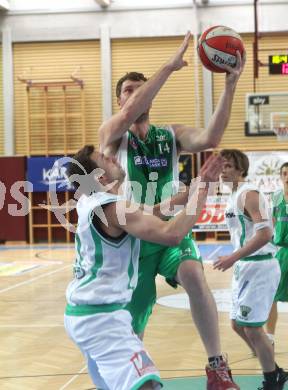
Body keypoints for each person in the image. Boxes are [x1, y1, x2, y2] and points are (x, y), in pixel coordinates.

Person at [99, 31, 245, 388]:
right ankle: (128, 376)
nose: (134, 95)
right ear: (119, 100)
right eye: (127, 91)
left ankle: (216, 366)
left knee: (194, 274)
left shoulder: (169, 134)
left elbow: (210, 139)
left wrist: (229, 85)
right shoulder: (112, 136)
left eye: (139, 88)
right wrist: (168, 66)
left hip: (169, 232)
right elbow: (133, 110)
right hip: (132, 238)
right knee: (135, 321)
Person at [64, 144, 223, 390]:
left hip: (88, 315)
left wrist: (194, 188)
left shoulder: (94, 200)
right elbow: (172, 234)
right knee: (146, 385)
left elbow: (155, 212)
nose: (112, 158)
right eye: (104, 158)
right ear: (100, 177)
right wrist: (202, 191)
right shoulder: (113, 207)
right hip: (101, 320)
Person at [214, 149, 287, 390]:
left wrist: (232, 257)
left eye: (227, 167)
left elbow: (266, 234)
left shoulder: (249, 194)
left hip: (260, 266)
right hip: (246, 267)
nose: (223, 170)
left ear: (240, 169)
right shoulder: (234, 195)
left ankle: (272, 379)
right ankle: (274, 368)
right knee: (237, 324)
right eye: (221, 166)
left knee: (253, 328)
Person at [266, 162, 288, 347]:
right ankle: (269, 338)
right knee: (271, 296)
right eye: (284, 173)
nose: (287, 177)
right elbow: (270, 222)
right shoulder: (276, 197)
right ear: (281, 177)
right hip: (280, 253)